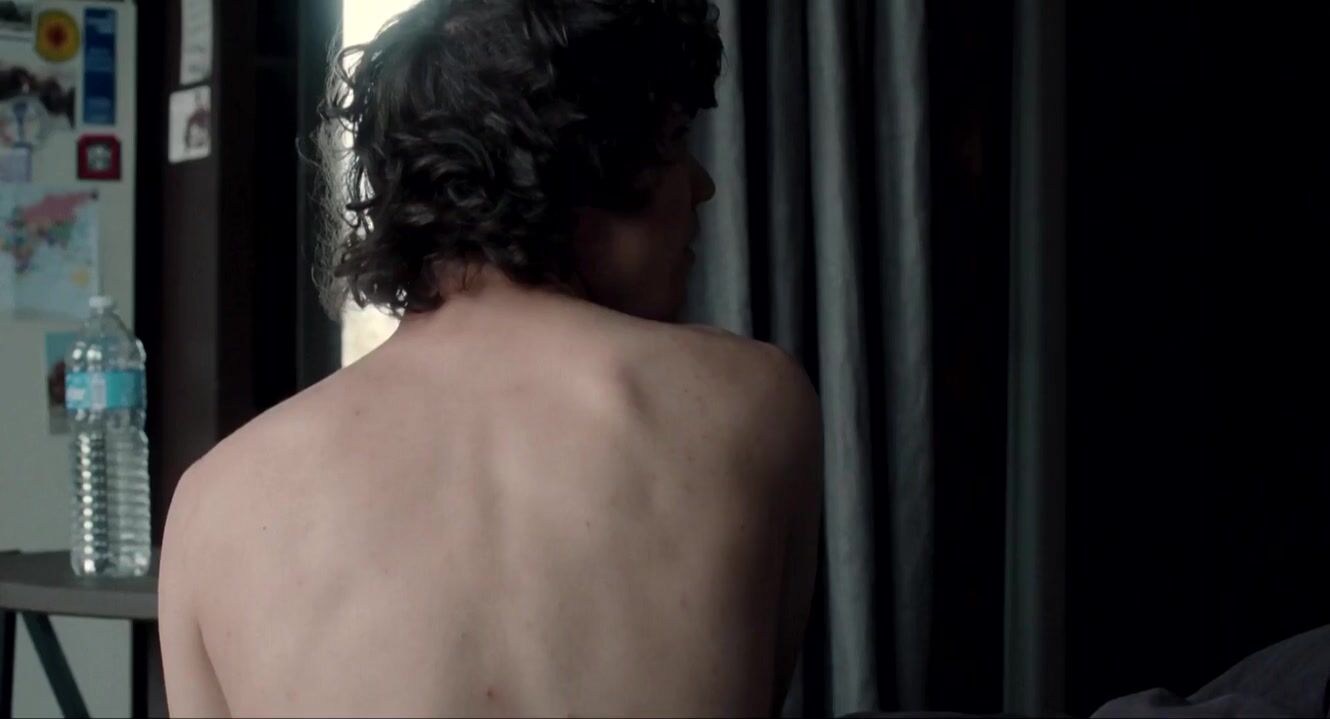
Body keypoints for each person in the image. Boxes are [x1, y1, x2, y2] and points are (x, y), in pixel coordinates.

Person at [158, 1, 823, 716]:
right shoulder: (753, 402)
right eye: (673, 142)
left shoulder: (210, 505)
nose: (702, 185)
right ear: (580, 163)